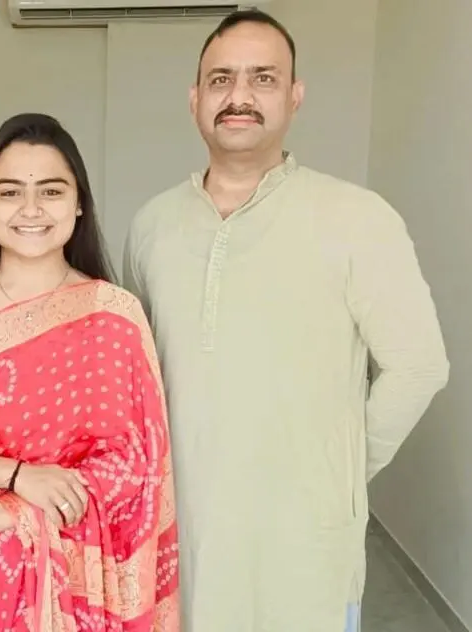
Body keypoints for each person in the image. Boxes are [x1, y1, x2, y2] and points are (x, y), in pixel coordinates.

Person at [122, 9, 449, 632]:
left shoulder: (357, 217)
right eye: (220, 79)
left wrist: (340, 470)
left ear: (295, 97)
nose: (238, 96)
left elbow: (419, 366)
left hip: (303, 547)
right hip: (181, 531)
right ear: (195, 99)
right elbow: (138, 377)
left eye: (262, 78)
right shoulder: (151, 226)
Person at [0, 112, 179, 631]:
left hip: (70, 582)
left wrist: (16, 511)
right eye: (10, 191)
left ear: (79, 202)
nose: (31, 209)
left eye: (50, 190)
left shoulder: (112, 315)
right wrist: (18, 477)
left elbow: (136, 467)